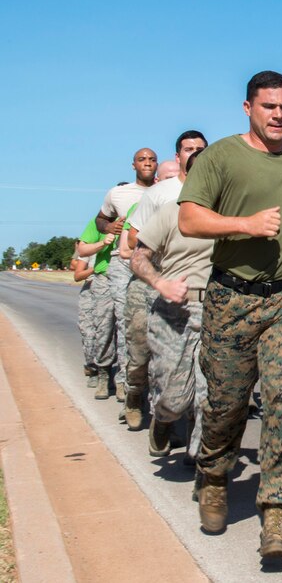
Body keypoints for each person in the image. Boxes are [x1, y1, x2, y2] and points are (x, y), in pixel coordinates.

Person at [178, 70, 282, 559]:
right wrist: (244, 224)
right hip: (231, 298)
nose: (279, 115)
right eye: (269, 106)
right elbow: (189, 218)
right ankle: (215, 476)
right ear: (248, 108)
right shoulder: (221, 156)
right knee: (226, 403)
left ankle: (276, 511)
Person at [123, 131, 208, 429]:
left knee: (206, 390)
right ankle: (149, 406)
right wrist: (160, 281)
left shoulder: (229, 210)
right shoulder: (161, 197)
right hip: (162, 290)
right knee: (143, 355)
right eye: (189, 149)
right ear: (179, 157)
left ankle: (201, 459)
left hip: (210, 305)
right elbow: (135, 244)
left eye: (199, 149)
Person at [95, 149, 158, 400]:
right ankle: (122, 381)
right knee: (124, 321)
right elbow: (101, 219)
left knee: (151, 325)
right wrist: (109, 226)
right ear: (133, 165)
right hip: (121, 262)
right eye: (142, 160)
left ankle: (150, 384)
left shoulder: (164, 188)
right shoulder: (118, 193)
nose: (147, 163)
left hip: (155, 262)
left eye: (152, 159)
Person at [74, 221, 117, 387]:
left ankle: (109, 370)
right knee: (89, 332)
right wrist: (96, 268)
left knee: (109, 330)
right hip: (91, 288)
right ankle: (93, 368)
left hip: (109, 286)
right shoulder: (91, 250)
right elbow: (77, 276)